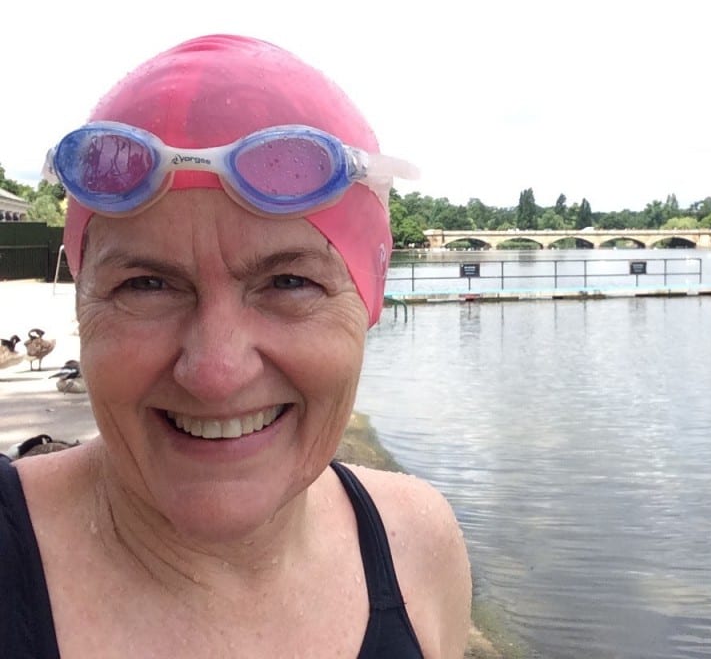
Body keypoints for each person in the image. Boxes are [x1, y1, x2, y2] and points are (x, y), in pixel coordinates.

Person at [0, 35, 472, 658]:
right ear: (83, 299)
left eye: (288, 282)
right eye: (146, 284)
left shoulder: (418, 547)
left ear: (368, 297)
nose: (215, 372)